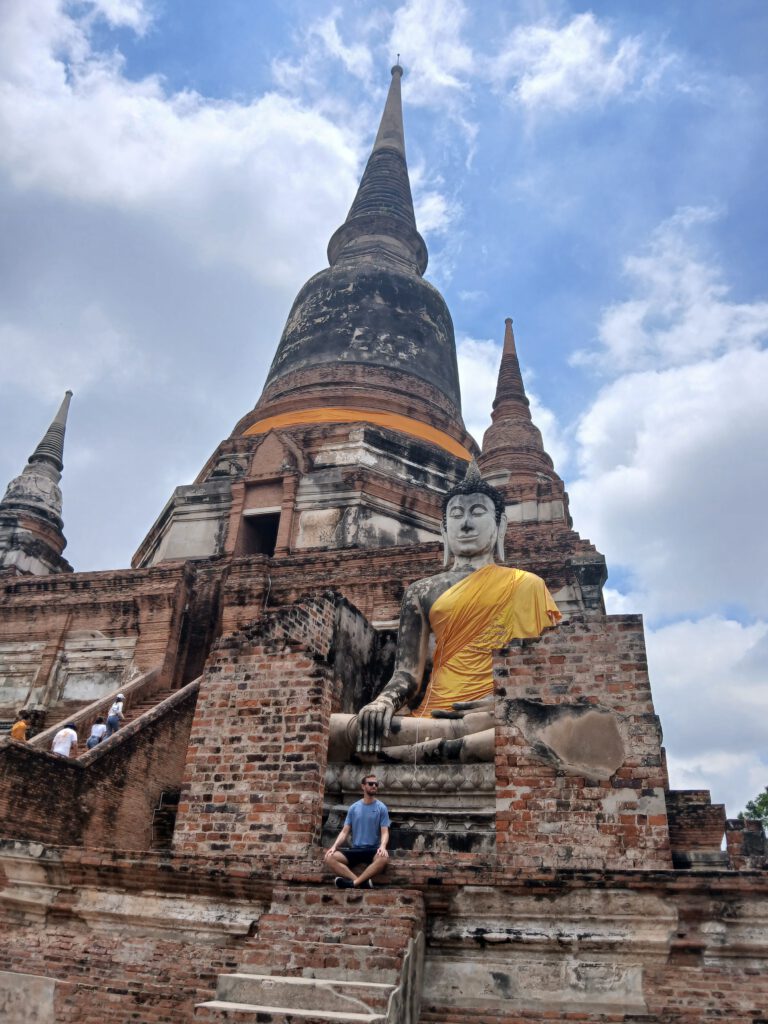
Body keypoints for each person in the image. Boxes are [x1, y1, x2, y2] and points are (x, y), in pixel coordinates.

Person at [328, 460, 561, 764]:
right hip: (433, 716)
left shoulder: (527, 585)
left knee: (529, 727)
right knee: (341, 729)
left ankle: (426, 753)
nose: (465, 524)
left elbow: (548, 671)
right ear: (444, 528)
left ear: (500, 525)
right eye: (456, 515)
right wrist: (383, 702)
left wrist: (506, 703)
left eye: (477, 513)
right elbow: (406, 676)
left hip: (494, 714)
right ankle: (446, 749)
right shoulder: (421, 591)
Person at [324, 773, 390, 889]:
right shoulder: (354, 808)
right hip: (356, 849)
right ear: (363, 786)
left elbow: (385, 832)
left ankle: (353, 884)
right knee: (329, 858)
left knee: (384, 859)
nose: (374, 786)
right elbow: (344, 832)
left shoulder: (381, 808)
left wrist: (383, 846)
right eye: (370, 784)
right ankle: (360, 882)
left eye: (376, 784)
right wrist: (334, 846)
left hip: (373, 850)